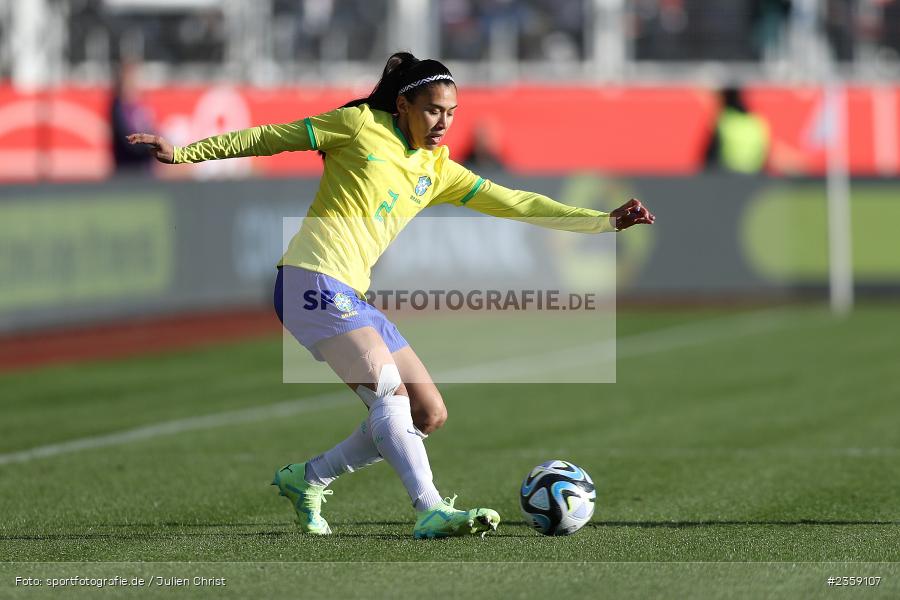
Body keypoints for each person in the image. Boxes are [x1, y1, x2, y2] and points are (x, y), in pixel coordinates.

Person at [127, 52, 654, 539]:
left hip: (352, 294)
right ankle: (429, 509)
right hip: (309, 279)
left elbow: (513, 201)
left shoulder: (437, 167)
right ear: (402, 105)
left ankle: (307, 478)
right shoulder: (358, 126)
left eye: (451, 112)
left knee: (427, 413)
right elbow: (272, 136)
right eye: (431, 110)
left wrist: (602, 222)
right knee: (389, 393)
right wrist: (188, 152)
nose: (443, 122)